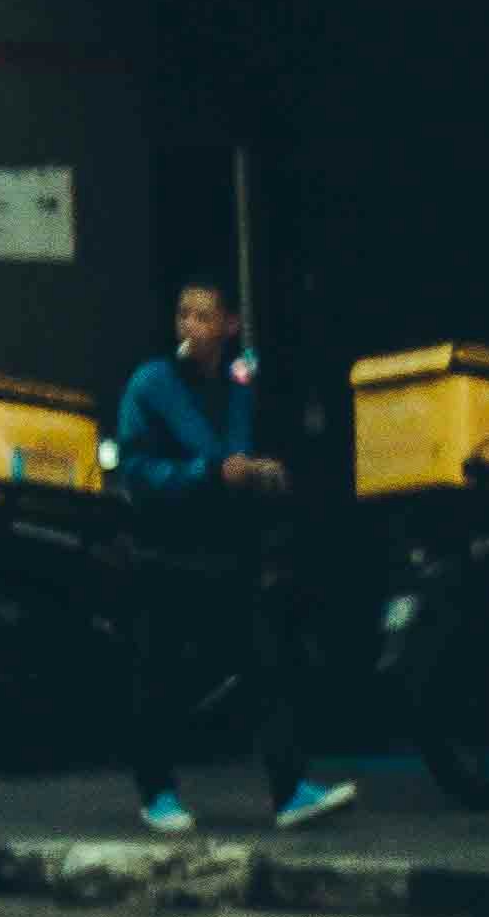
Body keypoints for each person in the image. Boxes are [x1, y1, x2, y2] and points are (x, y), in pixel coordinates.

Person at [113, 277, 353, 837]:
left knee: (266, 664)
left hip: (227, 551)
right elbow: (136, 471)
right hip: (166, 552)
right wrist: (207, 473)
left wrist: (263, 474)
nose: (192, 327)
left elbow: (241, 448)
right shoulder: (152, 384)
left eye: (203, 316)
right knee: (159, 675)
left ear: (229, 325)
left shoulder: (241, 376)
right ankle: (157, 793)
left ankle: (291, 790)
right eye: (183, 315)